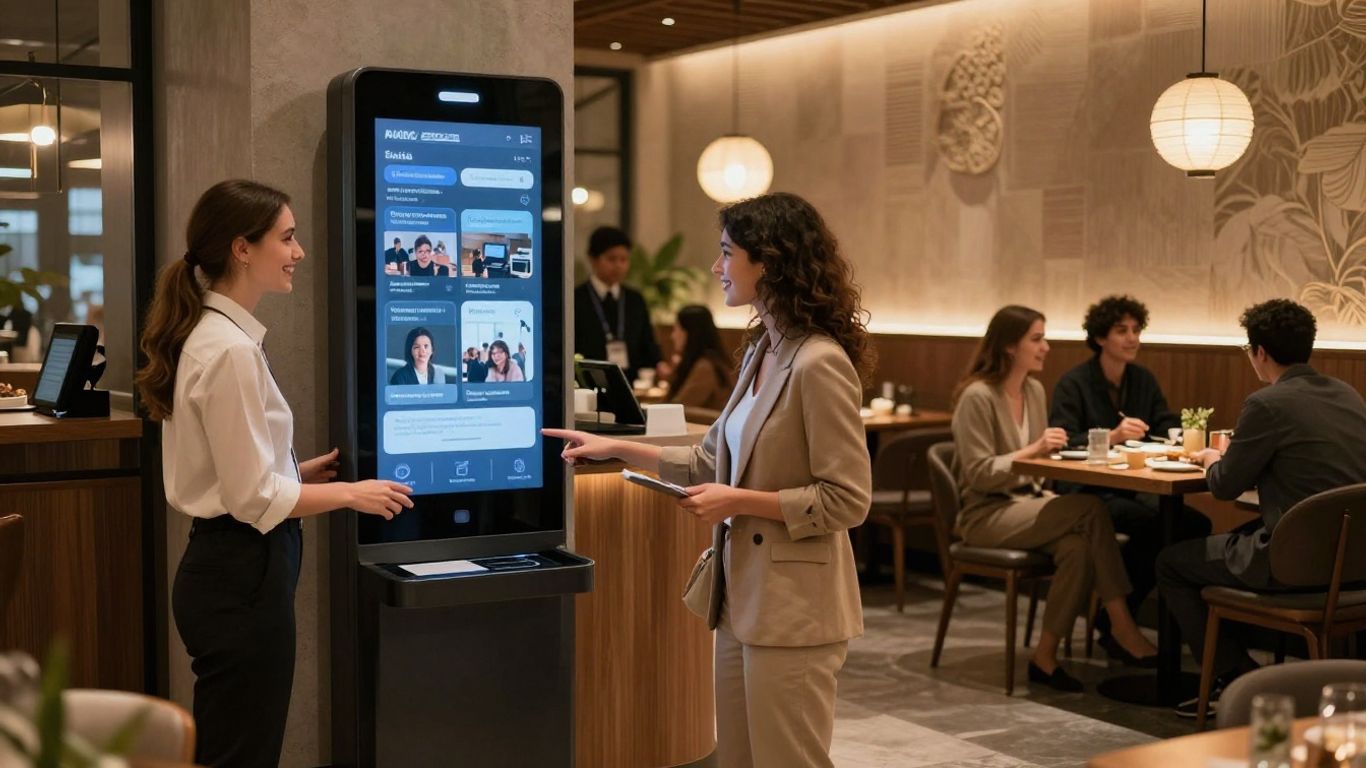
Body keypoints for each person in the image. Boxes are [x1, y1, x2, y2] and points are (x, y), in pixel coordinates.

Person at [547, 193, 872, 767]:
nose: (717, 267)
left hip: (795, 610)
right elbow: (708, 458)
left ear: (767, 261)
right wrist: (618, 449)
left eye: (726, 253)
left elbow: (847, 499)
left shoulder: (820, 362)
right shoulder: (760, 353)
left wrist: (738, 500)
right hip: (740, 599)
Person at [135, 179, 413, 768]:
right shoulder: (229, 349)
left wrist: (296, 470)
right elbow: (252, 498)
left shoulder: (217, 335)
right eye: (287, 238)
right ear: (242, 248)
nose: (299, 252)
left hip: (229, 572)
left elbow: (233, 467)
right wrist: (349, 493)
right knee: (242, 755)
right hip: (242, 574)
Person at [1157, 299, 1366, 716]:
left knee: (1171, 562)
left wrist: (1215, 459)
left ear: (1260, 352)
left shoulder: (1266, 404)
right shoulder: (1349, 395)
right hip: (1355, 564)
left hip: (1295, 565)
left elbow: (1224, 486)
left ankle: (1232, 679)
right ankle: (1242, 675)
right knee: (1235, 542)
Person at [952, 305, 1157, 692]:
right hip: (985, 515)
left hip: (1027, 503)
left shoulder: (1032, 390)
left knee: (1078, 547)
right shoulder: (976, 397)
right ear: (1010, 346)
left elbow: (1042, 463)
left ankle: (1044, 658)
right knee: (1092, 509)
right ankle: (1123, 625)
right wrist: (1032, 452)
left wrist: (1044, 458)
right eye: (1037, 339)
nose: (1046, 347)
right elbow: (978, 473)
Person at [1049, 295, 1210, 657]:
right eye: (1122, 331)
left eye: (1136, 330)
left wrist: (1182, 433)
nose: (1132, 338)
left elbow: (1164, 419)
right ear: (1100, 337)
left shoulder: (1141, 379)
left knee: (1191, 523)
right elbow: (1061, 439)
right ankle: (1118, 623)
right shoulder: (1073, 383)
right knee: (1154, 524)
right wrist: (1114, 436)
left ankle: (1116, 616)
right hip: (1087, 489)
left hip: (1130, 485)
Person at [573, 225, 660, 383]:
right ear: (593, 259)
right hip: (587, 383)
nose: (619, 265)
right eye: (611, 259)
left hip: (631, 382)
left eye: (624, 259)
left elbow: (648, 343)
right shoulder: (576, 299)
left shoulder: (635, 300)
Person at [666, 304, 735, 411]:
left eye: (676, 329)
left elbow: (678, 408)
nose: (672, 336)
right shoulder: (709, 361)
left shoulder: (705, 367)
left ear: (690, 333)